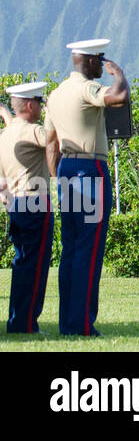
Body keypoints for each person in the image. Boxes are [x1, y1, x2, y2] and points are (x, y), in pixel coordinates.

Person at [45, 38, 128, 337]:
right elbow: (118, 98)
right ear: (91, 61)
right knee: (89, 249)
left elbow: (51, 145)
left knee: (71, 248)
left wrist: (59, 178)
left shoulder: (55, 95)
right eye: (100, 60)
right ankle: (81, 324)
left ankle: (68, 321)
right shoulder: (86, 89)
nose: (101, 65)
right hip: (90, 168)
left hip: (67, 169)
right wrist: (119, 74)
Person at [0, 82, 59, 333]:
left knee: (23, 263)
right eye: (40, 102)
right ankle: (25, 324)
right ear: (29, 105)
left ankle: (18, 320)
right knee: (35, 266)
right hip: (35, 202)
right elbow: (54, 140)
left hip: (16, 203)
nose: (41, 106)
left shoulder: (6, 135)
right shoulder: (30, 131)